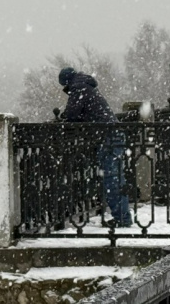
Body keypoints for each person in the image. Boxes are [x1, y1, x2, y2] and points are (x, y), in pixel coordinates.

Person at [58, 67, 132, 227]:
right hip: (113, 134)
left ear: (66, 82)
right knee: (117, 178)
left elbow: (72, 114)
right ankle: (123, 216)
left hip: (108, 137)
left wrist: (64, 118)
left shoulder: (79, 87)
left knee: (112, 179)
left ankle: (122, 219)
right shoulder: (86, 85)